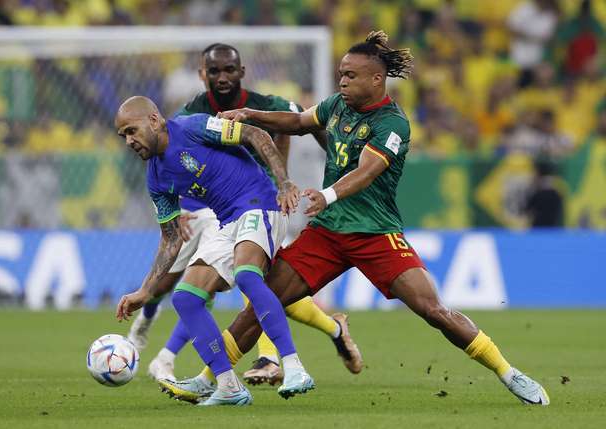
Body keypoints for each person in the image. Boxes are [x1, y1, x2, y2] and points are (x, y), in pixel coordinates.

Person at [172, 30, 550, 406]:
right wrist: (250, 114)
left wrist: (327, 195)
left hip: (375, 233)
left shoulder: (393, 123)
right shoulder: (337, 105)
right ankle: (209, 380)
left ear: (376, 79)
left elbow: (367, 171)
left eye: (351, 75)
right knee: (261, 301)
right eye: (341, 74)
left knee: (433, 310)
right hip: (327, 233)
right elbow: (298, 122)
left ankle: (509, 372)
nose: (342, 81)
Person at [127, 43, 362, 387]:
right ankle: (327, 330)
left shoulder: (263, 105)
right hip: (220, 212)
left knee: (251, 277)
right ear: (202, 75)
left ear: (241, 72)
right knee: (200, 293)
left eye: (228, 70)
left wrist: (338, 173)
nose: (222, 77)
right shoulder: (190, 116)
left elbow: (305, 119)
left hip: (268, 198)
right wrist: (181, 215)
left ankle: (274, 361)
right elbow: (178, 162)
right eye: (214, 71)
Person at [114, 96, 314, 406]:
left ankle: (294, 368)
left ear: (154, 120)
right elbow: (171, 238)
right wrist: (146, 290)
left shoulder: (193, 128)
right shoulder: (155, 178)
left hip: (260, 203)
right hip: (227, 221)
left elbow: (255, 134)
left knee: (247, 275)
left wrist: (284, 182)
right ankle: (228, 386)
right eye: (123, 136)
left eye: (132, 130)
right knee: (186, 297)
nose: (129, 141)